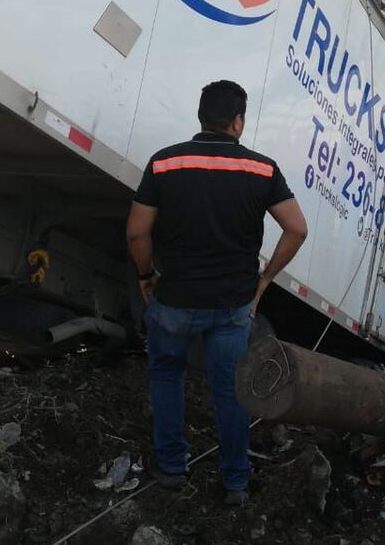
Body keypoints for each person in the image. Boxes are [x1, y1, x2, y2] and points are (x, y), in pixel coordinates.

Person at [126, 80, 308, 507]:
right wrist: (263, 281)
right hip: (230, 306)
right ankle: (236, 483)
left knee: (167, 375)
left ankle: (172, 469)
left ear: (201, 116)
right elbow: (297, 228)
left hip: (172, 300)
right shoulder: (263, 170)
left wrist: (146, 277)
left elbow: (137, 232)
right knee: (229, 388)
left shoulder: (165, 163)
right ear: (238, 121)